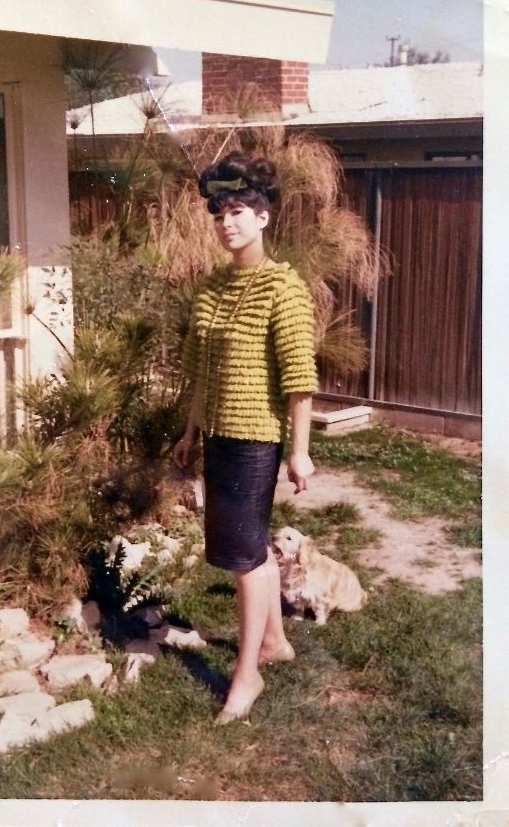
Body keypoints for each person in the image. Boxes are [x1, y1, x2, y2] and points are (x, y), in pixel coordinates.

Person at [173, 151, 318, 725]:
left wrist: (300, 452)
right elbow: (199, 373)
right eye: (219, 213)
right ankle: (275, 641)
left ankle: (247, 673)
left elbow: (299, 380)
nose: (226, 223)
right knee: (249, 548)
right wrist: (189, 431)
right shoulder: (211, 288)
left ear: (262, 217)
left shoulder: (284, 288)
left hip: (255, 441)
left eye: (237, 211)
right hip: (216, 436)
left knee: (244, 558)